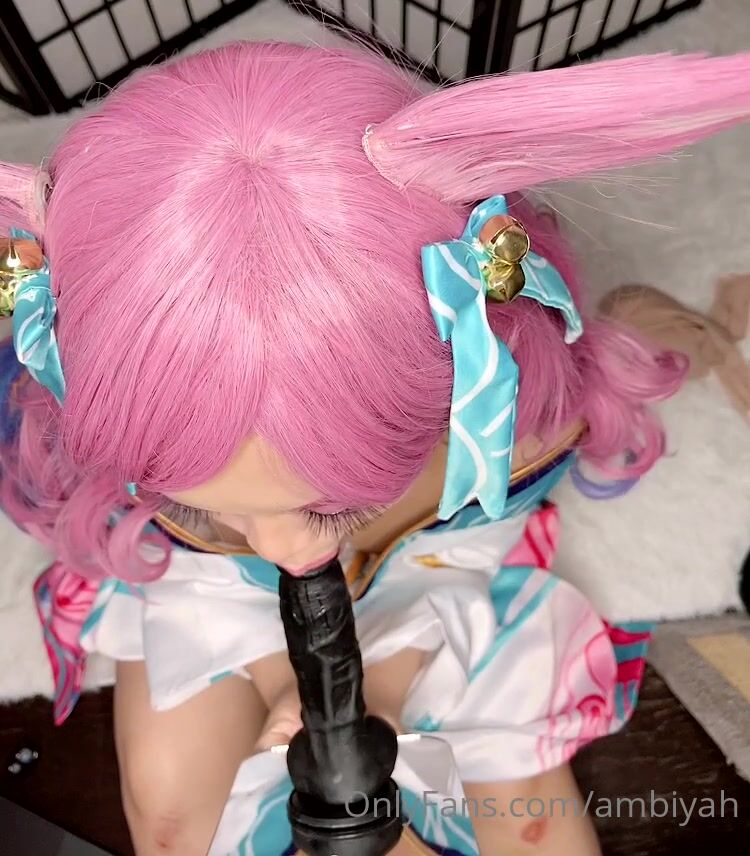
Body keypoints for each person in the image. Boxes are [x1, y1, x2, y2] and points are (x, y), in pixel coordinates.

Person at [1, 43, 749, 856]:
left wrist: (376, 700)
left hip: (433, 571)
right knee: (177, 832)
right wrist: (289, 682)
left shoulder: (503, 429)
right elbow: (220, 562)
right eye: (202, 501)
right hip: (209, 580)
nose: (283, 547)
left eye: (331, 505)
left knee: (526, 818)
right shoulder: (152, 452)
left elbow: (461, 554)